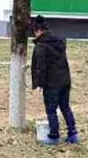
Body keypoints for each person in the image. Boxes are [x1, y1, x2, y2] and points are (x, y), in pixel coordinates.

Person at [31, 15, 79, 146]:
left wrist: (39, 84)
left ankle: (54, 135)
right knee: (65, 106)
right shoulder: (59, 42)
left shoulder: (41, 46)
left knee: (51, 110)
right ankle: (73, 133)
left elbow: (41, 67)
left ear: (38, 31)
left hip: (52, 83)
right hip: (65, 80)